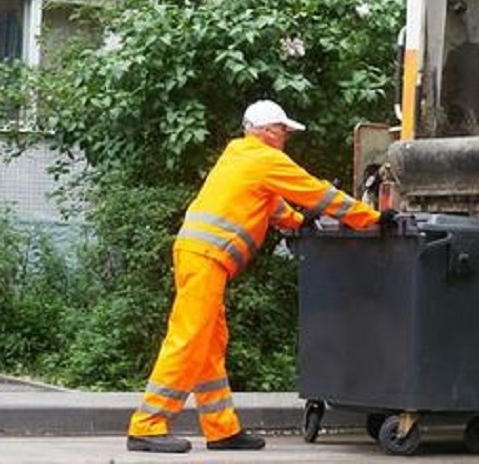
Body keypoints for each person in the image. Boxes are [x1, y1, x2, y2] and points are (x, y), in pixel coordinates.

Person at [126, 99, 395, 453]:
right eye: (283, 131)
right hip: (205, 258)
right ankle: (147, 425)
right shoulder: (264, 158)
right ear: (268, 131)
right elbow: (318, 192)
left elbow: (270, 204)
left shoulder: (240, 156)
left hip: (199, 256)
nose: (285, 138)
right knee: (189, 338)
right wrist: (372, 219)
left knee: (209, 343)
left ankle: (221, 429)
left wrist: (299, 224)